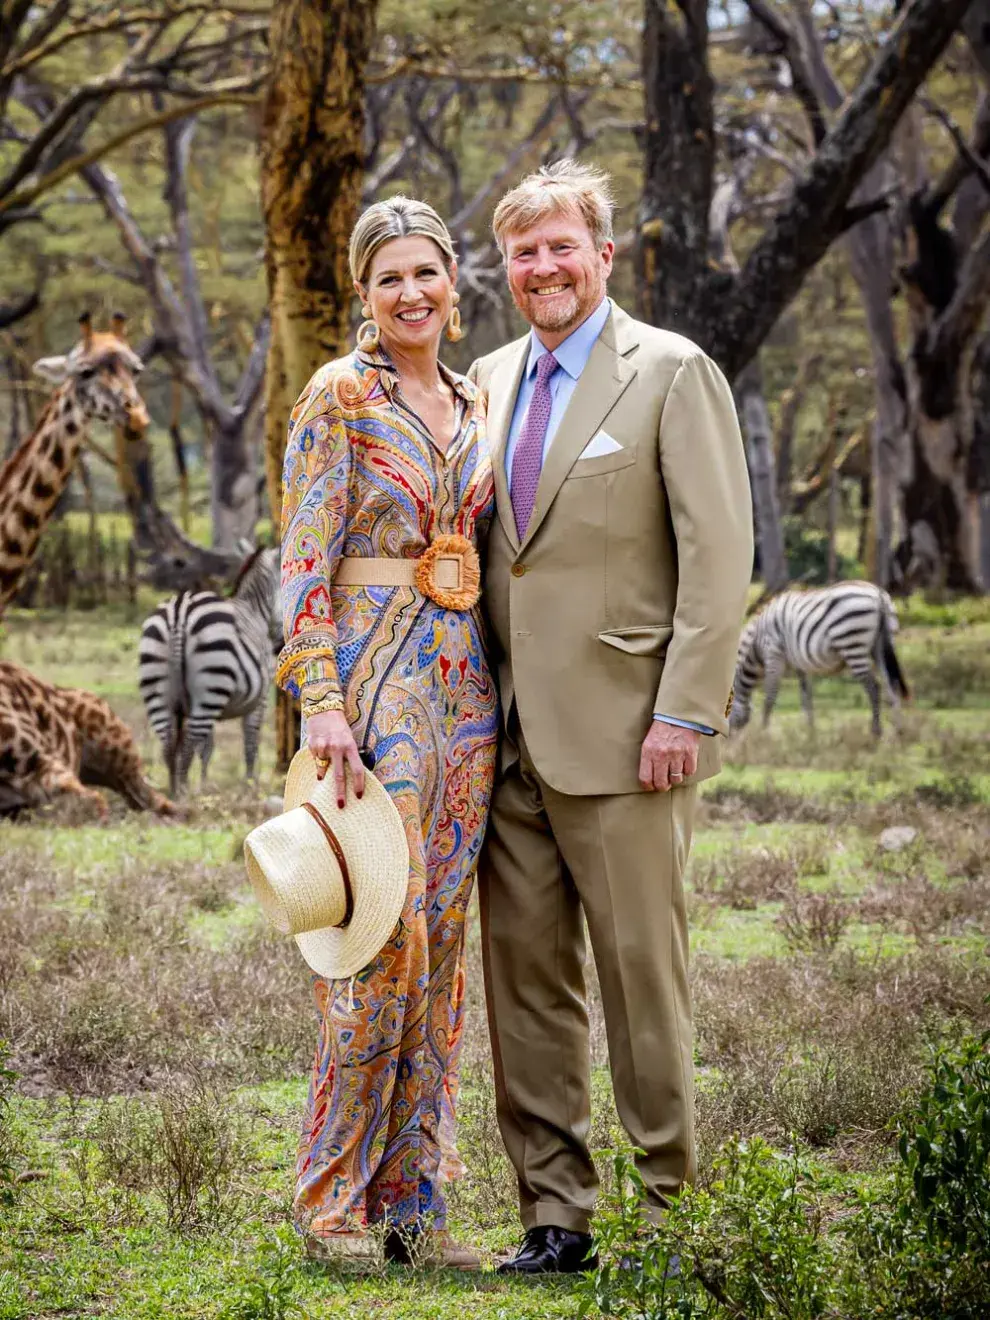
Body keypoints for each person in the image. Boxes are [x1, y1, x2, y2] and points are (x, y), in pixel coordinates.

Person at [469, 160, 754, 1275]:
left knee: (645, 981)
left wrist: (686, 710)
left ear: (603, 254)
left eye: (560, 247)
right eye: (523, 252)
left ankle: (675, 1210)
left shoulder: (672, 373)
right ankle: (554, 1216)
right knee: (526, 988)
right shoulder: (484, 381)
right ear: (507, 269)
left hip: (636, 739)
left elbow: (719, 556)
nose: (543, 268)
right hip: (503, 744)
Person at [275, 196, 498, 1271]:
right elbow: (302, 565)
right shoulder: (339, 396)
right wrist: (321, 700)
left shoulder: (477, 395)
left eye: (428, 272)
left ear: (455, 283)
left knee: (445, 956)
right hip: (373, 696)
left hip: (468, 702)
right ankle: (330, 1205)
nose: (412, 293)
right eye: (389, 277)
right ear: (364, 293)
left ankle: (418, 1208)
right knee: (379, 948)